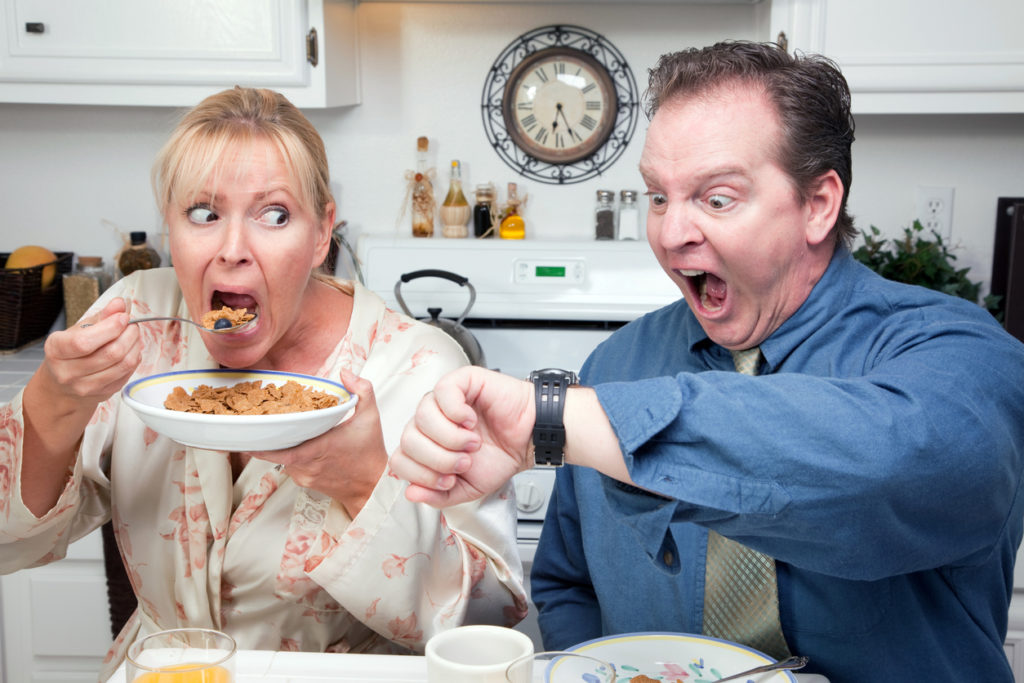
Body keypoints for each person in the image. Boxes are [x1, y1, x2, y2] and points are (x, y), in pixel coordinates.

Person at [390, 41, 1024, 682]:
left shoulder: (957, 354)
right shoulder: (617, 365)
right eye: (658, 197)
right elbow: (567, 582)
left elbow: (893, 465)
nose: (670, 234)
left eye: (716, 199)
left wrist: (559, 420)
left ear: (818, 205)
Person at [0, 86, 526, 680]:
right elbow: (6, 543)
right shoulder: (138, 322)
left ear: (323, 232)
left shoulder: (422, 368)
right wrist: (55, 399)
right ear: (170, 226)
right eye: (203, 213)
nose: (232, 251)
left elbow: (491, 621)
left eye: (275, 215)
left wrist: (363, 486)